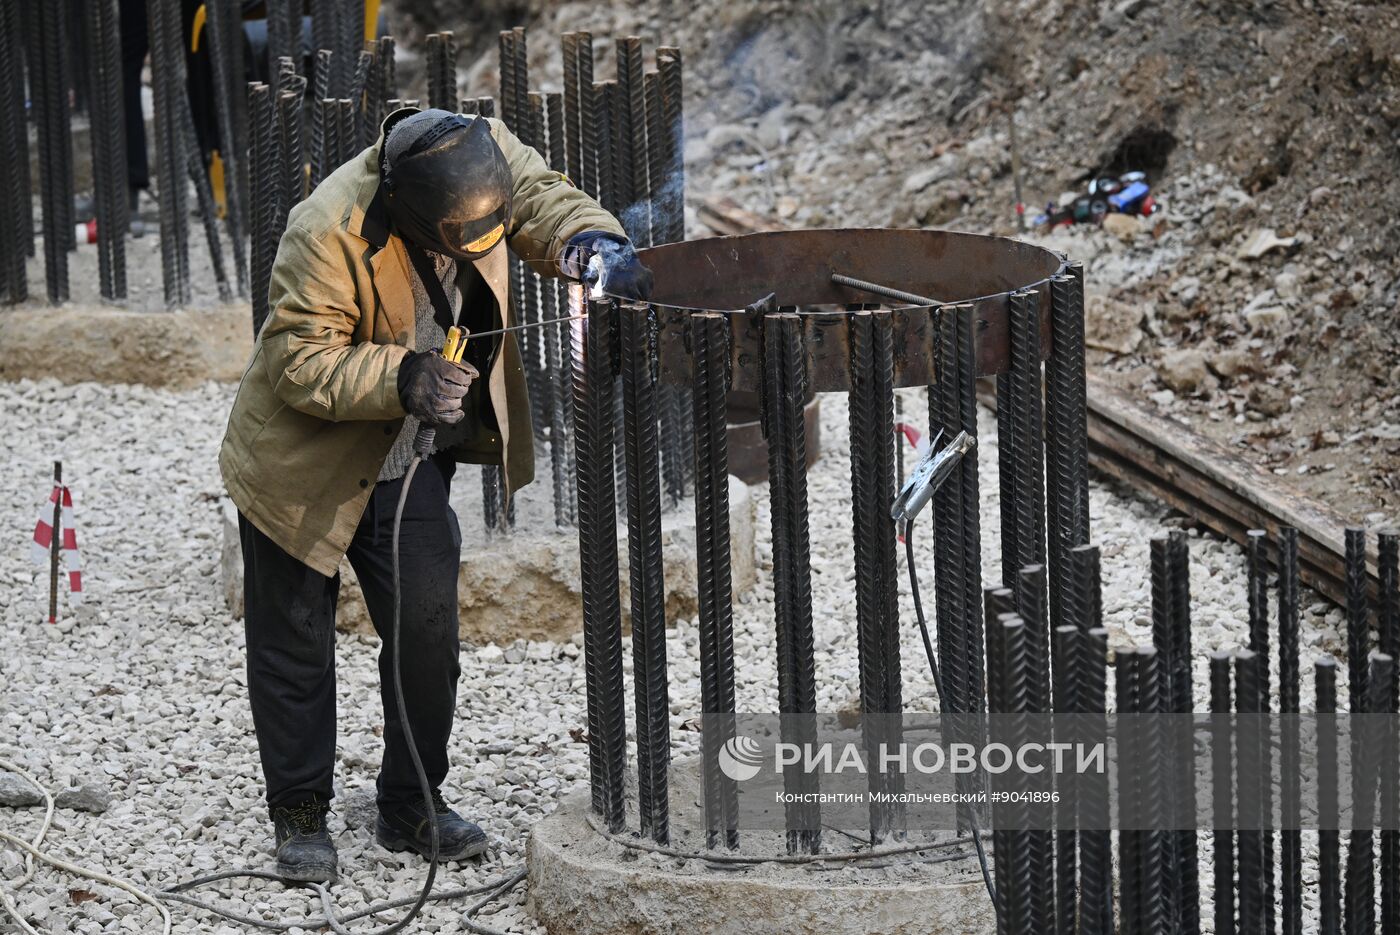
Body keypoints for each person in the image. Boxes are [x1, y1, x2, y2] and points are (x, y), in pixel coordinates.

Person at [218, 106, 651, 883]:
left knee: (428, 632)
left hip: (404, 460)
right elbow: (298, 360)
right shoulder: (326, 227)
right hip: (303, 463)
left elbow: (542, 197)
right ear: (407, 211)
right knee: (295, 641)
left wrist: (592, 242)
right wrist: (403, 374)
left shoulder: (481, 155)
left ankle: (411, 801)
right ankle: (300, 812)